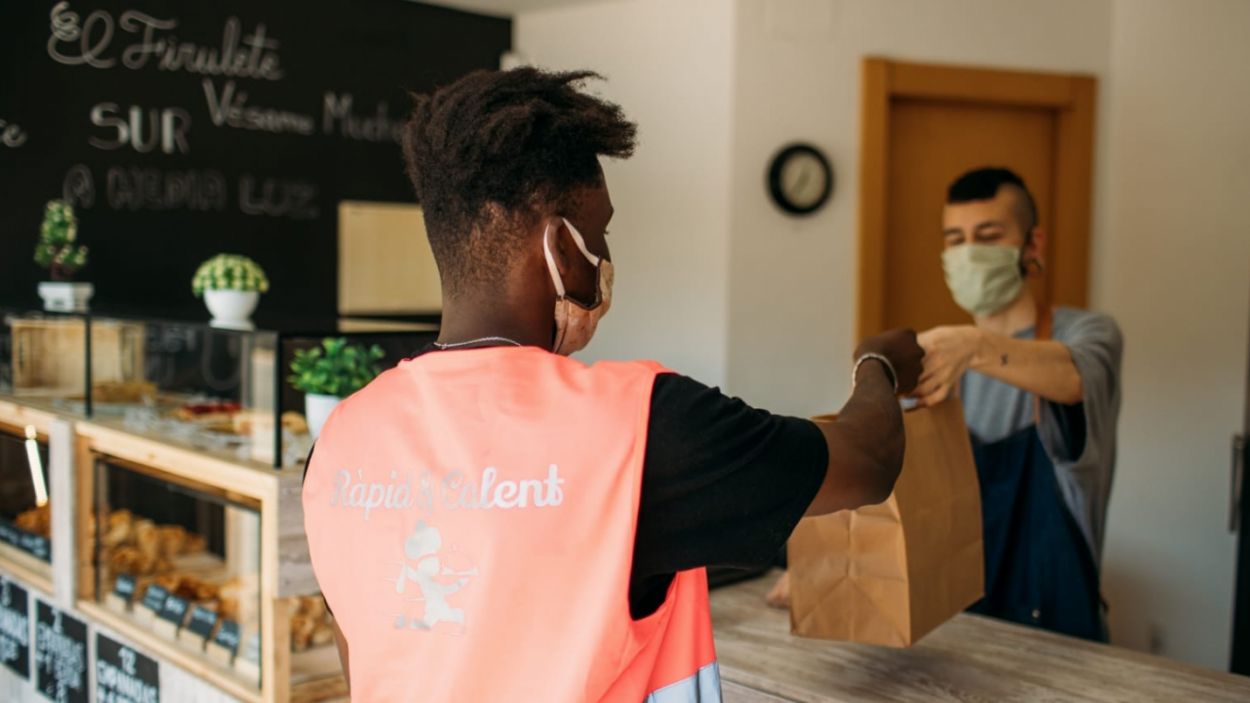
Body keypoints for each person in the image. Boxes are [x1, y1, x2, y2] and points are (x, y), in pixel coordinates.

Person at [301, 67, 924, 702]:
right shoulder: (641, 425)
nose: (603, 255)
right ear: (560, 247)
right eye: (600, 233)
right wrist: (879, 363)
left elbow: (369, 661)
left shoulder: (341, 439)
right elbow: (869, 461)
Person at [915, 167, 1123, 640]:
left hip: (1060, 630)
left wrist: (974, 346)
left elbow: (1074, 378)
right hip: (960, 624)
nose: (969, 253)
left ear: (1033, 244)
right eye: (955, 240)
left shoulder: (1087, 333)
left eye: (988, 236)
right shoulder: (943, 363)